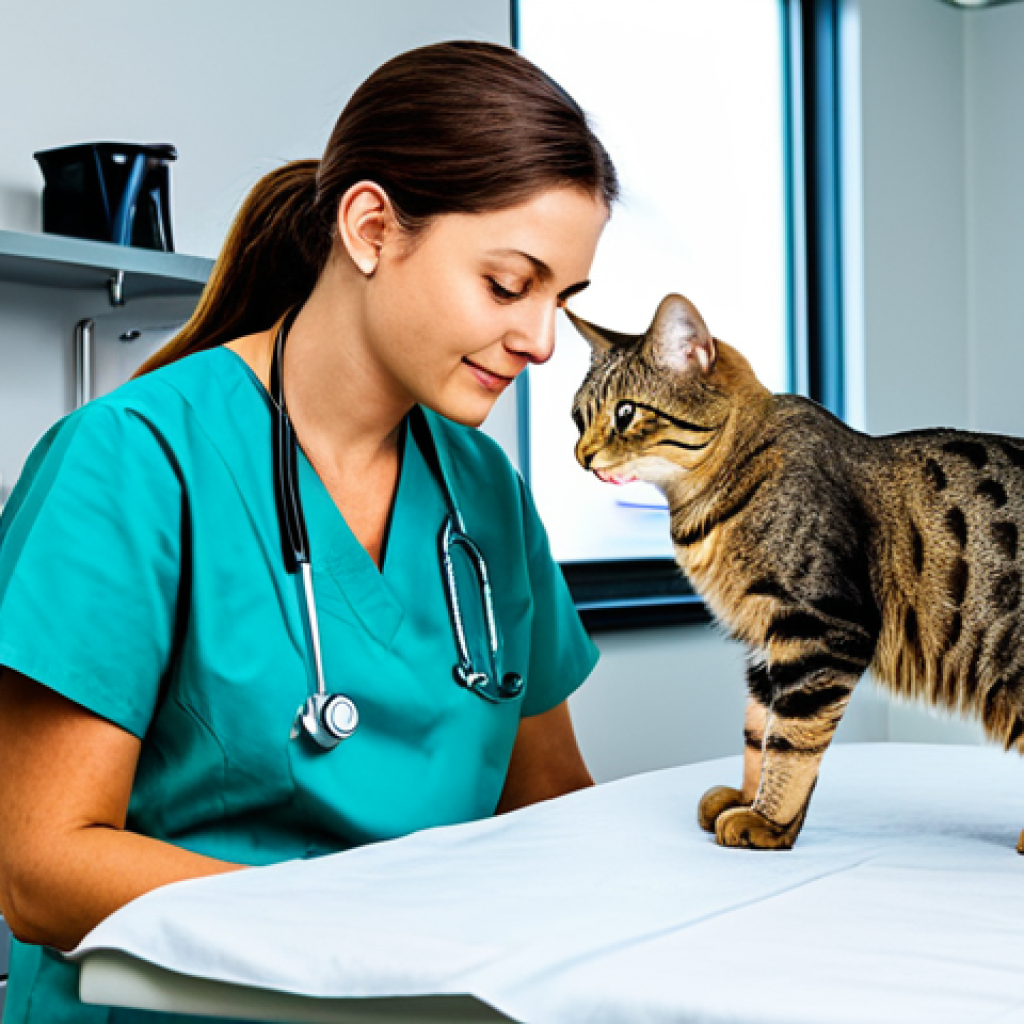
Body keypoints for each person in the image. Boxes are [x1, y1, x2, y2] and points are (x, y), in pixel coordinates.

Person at [0, 39, 617, 1023]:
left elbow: (549, 808)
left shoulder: (484, 492)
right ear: (372, 228)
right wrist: (355, 932)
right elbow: (42, 865)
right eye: (509, 285)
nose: (541, 341)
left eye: (561, 301)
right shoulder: (130, 461)